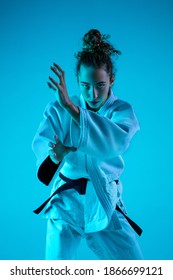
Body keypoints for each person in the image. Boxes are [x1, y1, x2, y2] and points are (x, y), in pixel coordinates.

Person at [32, 29, 143, 260]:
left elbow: (112, 145)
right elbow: (44, 163)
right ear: (77, 82)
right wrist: (55, 157)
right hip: (66, 202)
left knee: (135, 268)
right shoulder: (57, 108)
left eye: (100, 85)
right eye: (85, 86)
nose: (92, 94)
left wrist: (72, 110)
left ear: (111, 80)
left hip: (103, 197)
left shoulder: (122, 111)